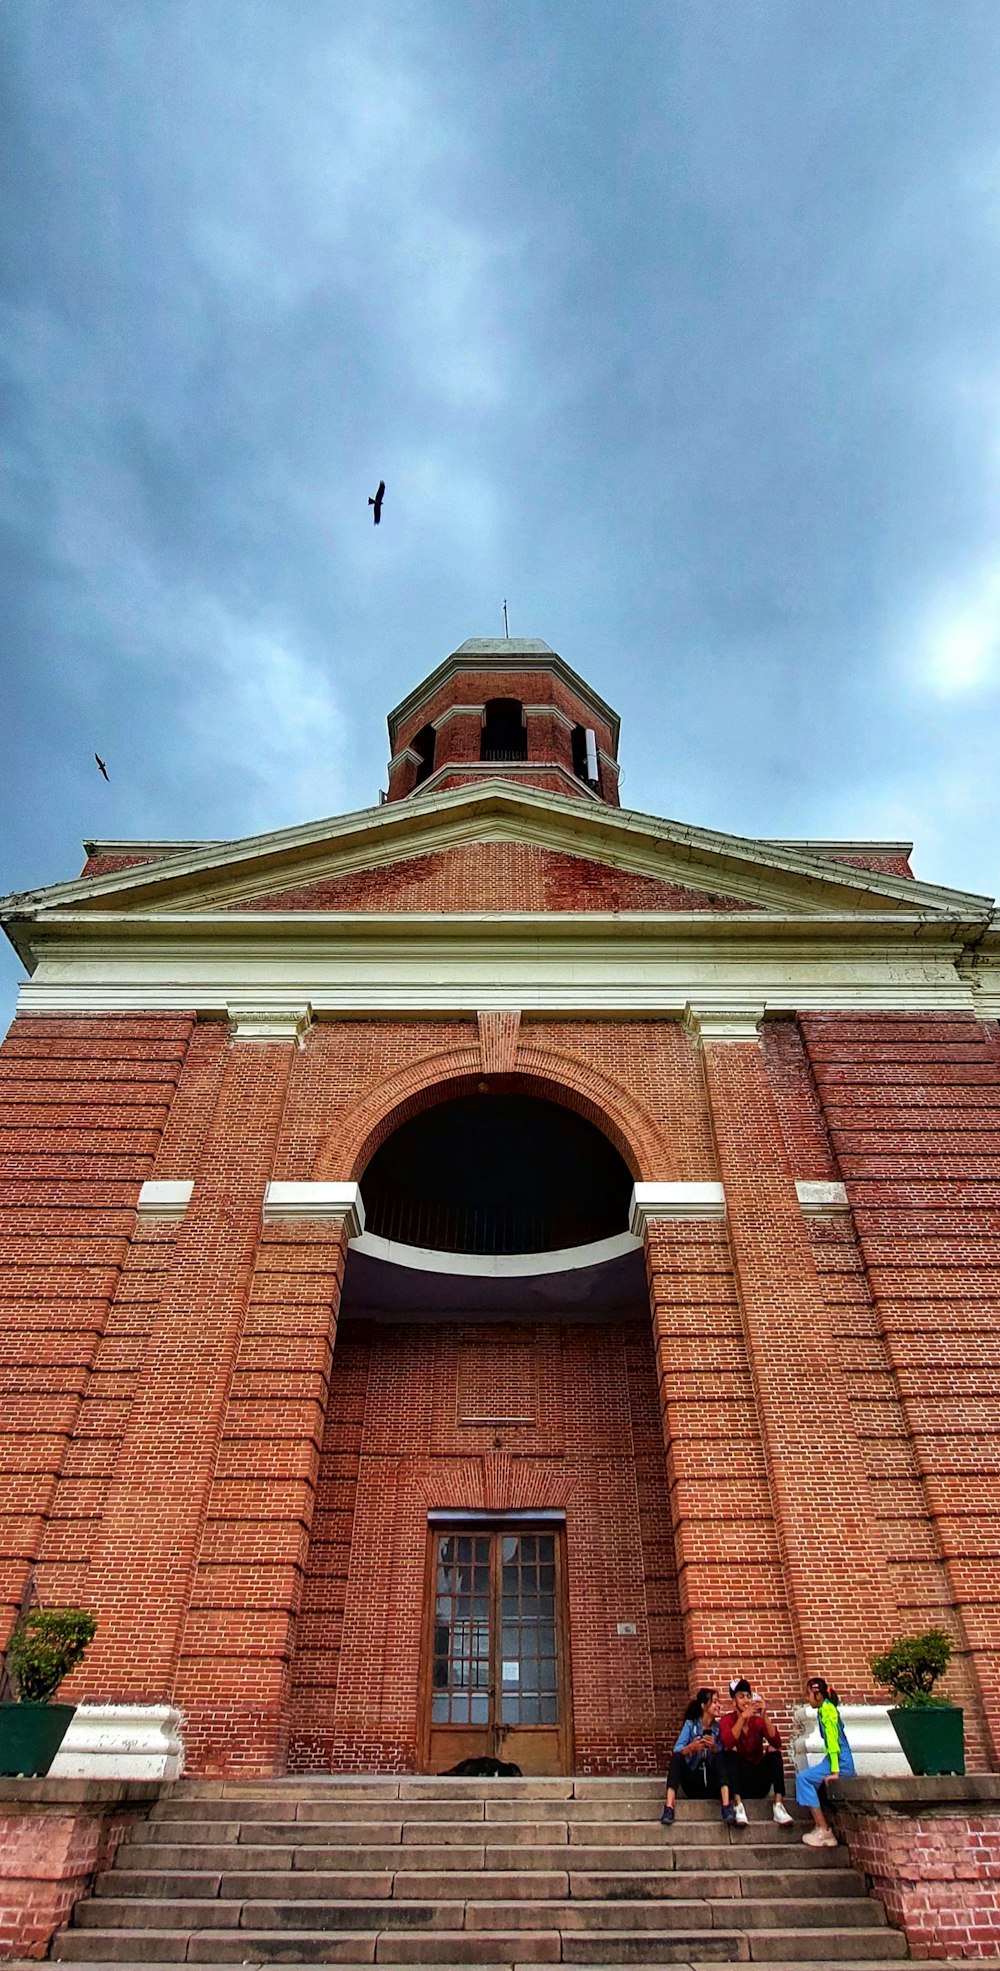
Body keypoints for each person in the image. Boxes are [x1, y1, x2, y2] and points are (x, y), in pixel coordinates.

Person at [719, 1677, 793, 1826]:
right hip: (739, 1781)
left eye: (748, 1696)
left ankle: (778, 1806)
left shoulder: (757, 1721)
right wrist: (742, 1718)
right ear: (734, 1702)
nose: (746, 1700)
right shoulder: (726, 1720)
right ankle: (738, 1806)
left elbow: (777, 1742)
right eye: (741, 1697)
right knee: (729, 1753)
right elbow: (727, 1742)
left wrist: (764, 1715)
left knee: (773, 1751)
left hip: (758, 1779)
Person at [661, 1687, 736, 1826]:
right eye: (714, 1702)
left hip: (713, 1783)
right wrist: (691, 1748)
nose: (718, 1705)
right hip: (694, 1782)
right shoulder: (691, 1725)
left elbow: (726, 1752)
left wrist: (715, 1748)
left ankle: (726, 1807)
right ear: (703, 1706)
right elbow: (677, 1749)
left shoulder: (718, 1728)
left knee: (722, 1756)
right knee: (677, 1757)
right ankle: (669, 1807)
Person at [796, 1675, 855, 1846]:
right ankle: (819, 1825)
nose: (807, 1699)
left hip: (840, 1761)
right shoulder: (827, 1709)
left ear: (818, 1695)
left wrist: (836, 1771)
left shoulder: (827, 1712)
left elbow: (832, 1742)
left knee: (803, 1779)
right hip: (836, 1759)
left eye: (808, 1695)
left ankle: (824, 1829)